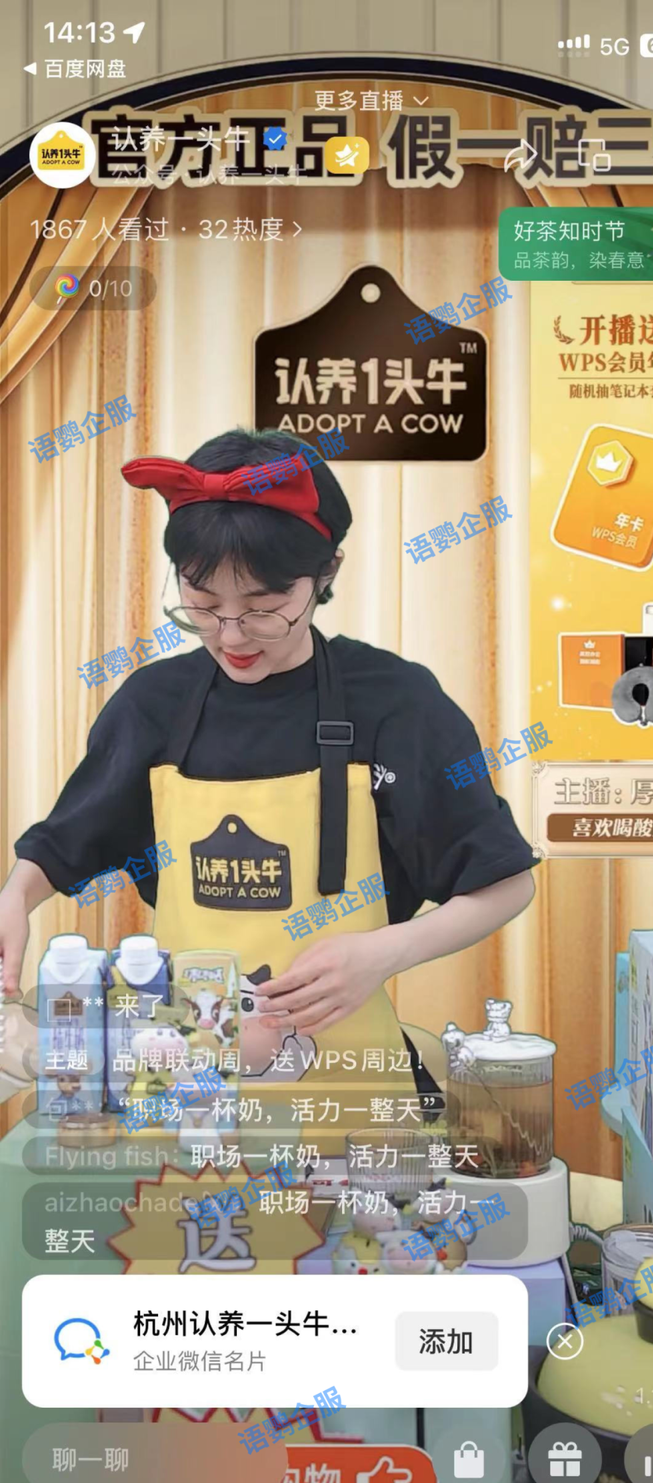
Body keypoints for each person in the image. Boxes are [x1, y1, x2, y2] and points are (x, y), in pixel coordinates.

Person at [0, 427, 537, 1147]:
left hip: (350, 1112)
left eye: (263, 603)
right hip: (187, 1104)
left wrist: (384, 952)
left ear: (327, 570)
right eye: (202, 601)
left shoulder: (397, 703)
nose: (231, 635)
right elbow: (65, 844)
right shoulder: (153, 704)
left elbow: (506, 884)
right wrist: (15, 898)